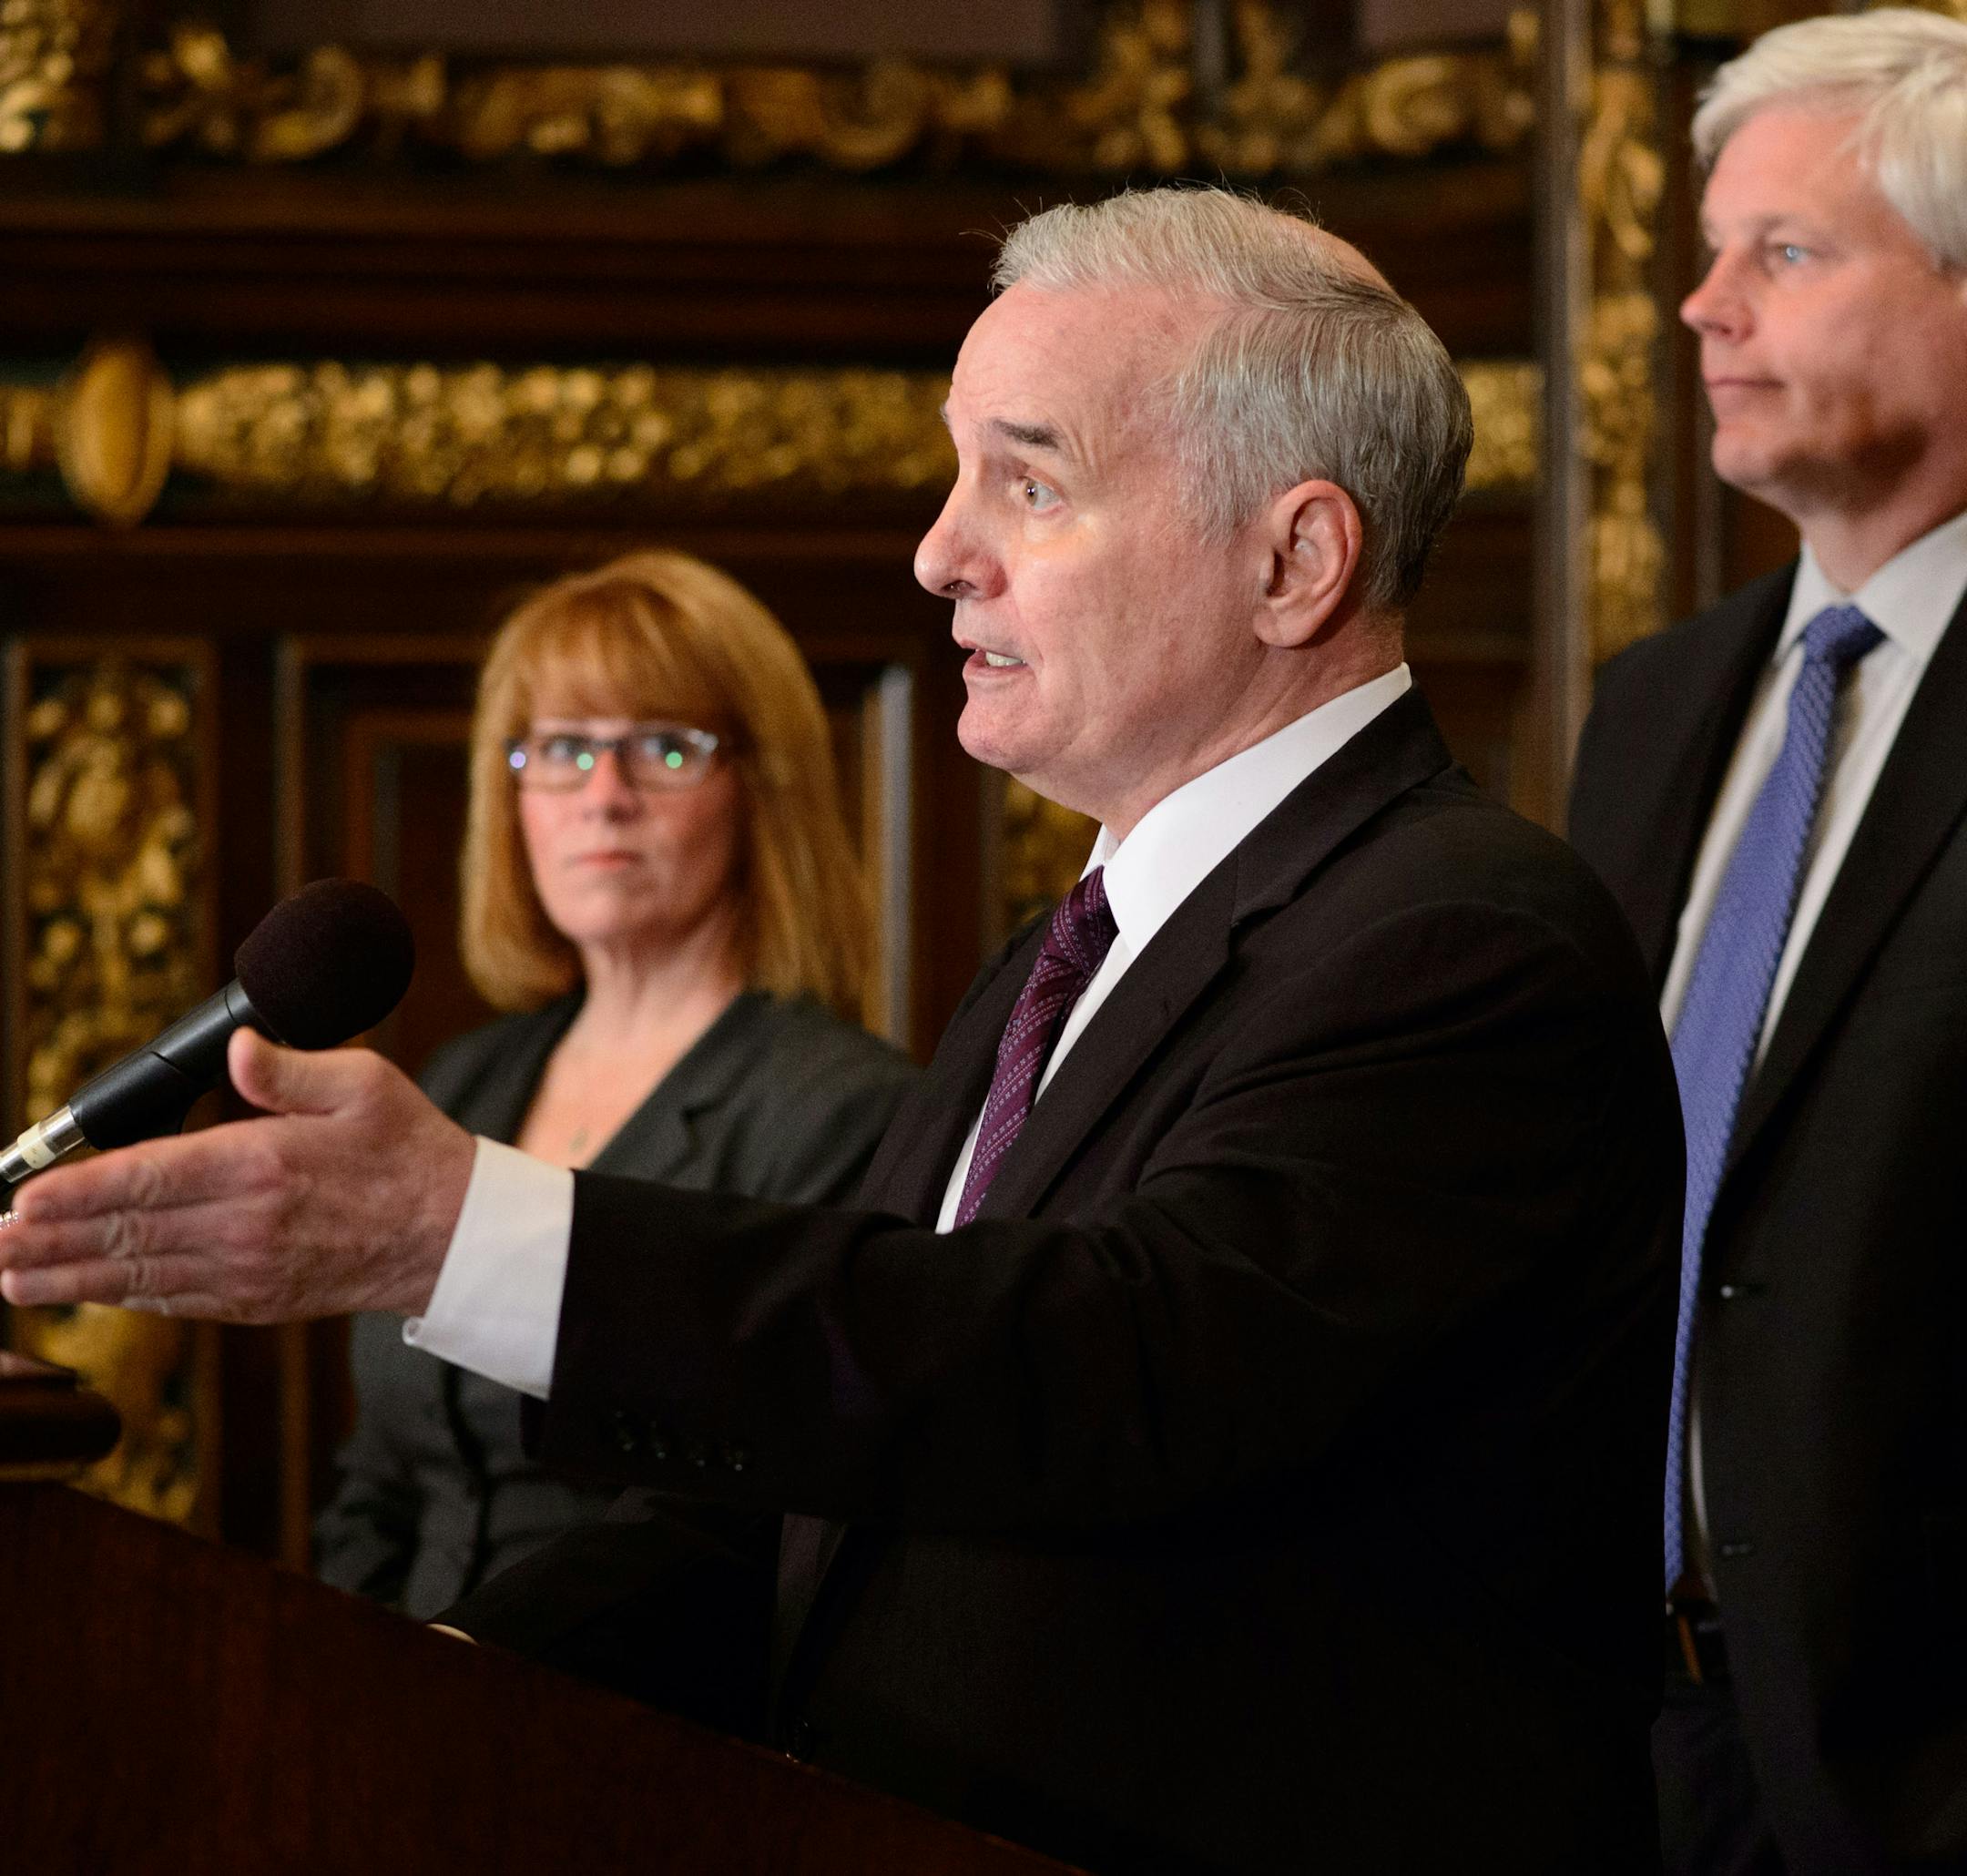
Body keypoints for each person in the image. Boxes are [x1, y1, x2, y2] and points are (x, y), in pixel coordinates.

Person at [0, 189, 1683, 1874]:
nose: (941, 551)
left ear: (1293, 560)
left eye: (1028, 482)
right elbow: (839, 1479)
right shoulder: (1066, 952)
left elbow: (1102, 1369)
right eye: (959, 476)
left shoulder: (1464, 940)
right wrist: (393, 1679)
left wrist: (462, 1233)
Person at [1566, 14, 1967, 1871]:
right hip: (1619, 1744)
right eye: (1711, 249)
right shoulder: (1658, 707)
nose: (1701, 307)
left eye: (1784, 254)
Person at [312, 550, 916, 1630]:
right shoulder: (466, 1080)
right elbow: (381, 1480)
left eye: (664, 747)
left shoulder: (841, 1111)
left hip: (640, 1729)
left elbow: (742, 1519)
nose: (606, 795)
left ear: (760, 790)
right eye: (563, 750)